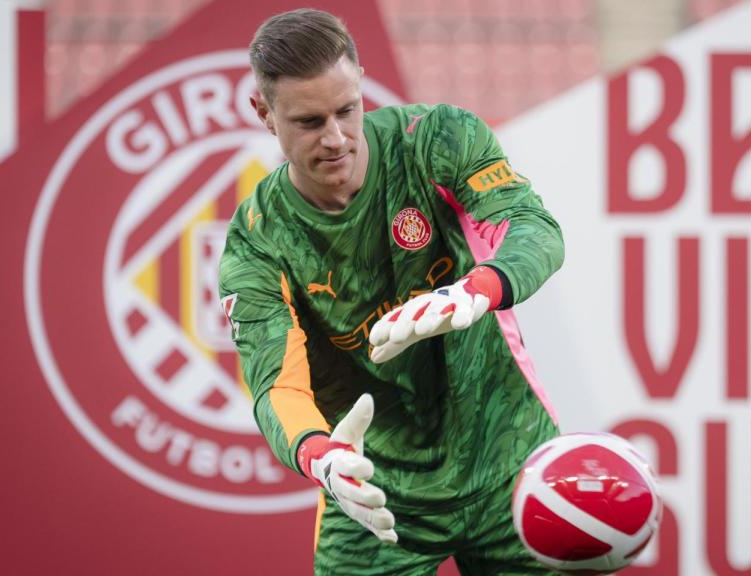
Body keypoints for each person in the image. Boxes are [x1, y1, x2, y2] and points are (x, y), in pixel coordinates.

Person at [219, 8, 564, 575]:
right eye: (308, 122)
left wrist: (479, 289)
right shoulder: (256, 243)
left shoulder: (435, 139)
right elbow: (276, 386)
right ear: (264, 113)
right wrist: (322, 458)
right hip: (373, 499)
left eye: (346, 111)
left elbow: (533, 228)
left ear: (360, 81)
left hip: (510, 459)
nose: (335, 139)